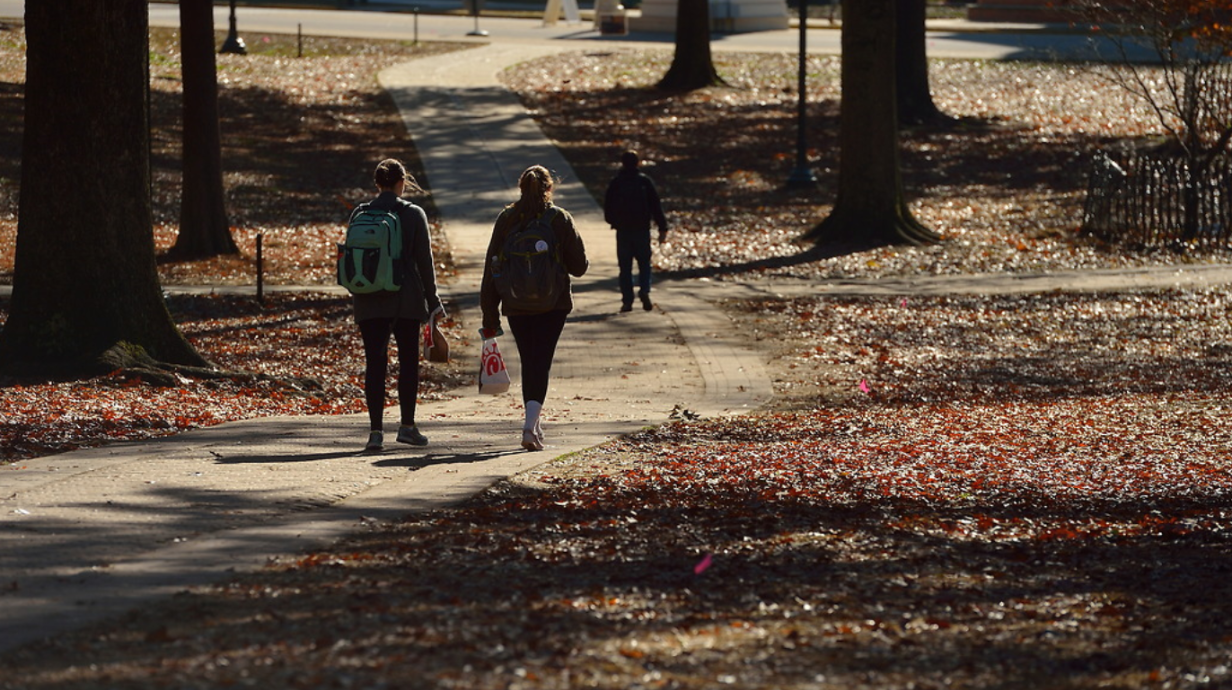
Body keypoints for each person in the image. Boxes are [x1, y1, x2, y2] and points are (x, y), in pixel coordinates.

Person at [480, 165, 589, 451]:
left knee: (530, 360)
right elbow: (579, 268)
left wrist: (489, 314)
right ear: (548, 188)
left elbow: (491, 267)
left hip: (515, 304)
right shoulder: (559, 219)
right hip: (553, 305)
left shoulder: (506, 219)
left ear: (521, 187)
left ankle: (533, 423)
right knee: (541, 361)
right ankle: (530, 425)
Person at [350, 159, 444, 452]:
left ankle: (375, 432)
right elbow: (424, 262)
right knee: (408, 364)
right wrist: (433, 301)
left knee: (375, 364)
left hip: (369, 299)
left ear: (378, 183)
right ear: (402, 182)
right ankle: (406, 427)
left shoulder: (360, 213)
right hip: (406, 299)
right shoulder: (413, 214)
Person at [603, 150, 668, 312]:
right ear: (637, 163)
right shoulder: (644, 182)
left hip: (623, 231)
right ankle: (644, 290)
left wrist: (614, 222)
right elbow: (655, 206)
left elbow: (608, 207)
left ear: (622, 164)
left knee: (625, 267)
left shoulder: (616, 182)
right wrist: (662, 227)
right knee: (644, 263)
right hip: (642, 229)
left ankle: (627, 301)